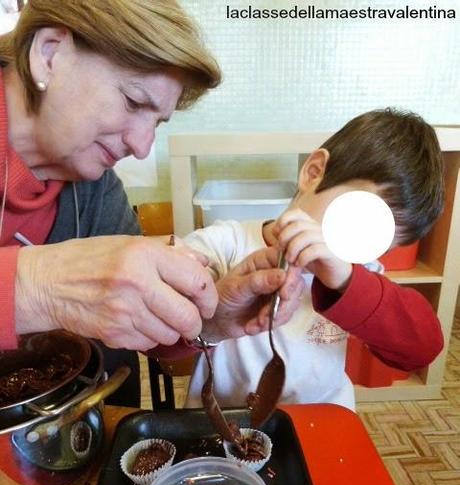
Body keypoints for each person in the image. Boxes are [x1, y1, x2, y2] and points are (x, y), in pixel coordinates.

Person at [0, 0, 303, 406]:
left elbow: (136, 318)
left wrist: (210, 321)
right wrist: (37, 287)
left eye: (157, 122)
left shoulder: (95, 189)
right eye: (133, 101)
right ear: (50, 53)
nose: (142, 148)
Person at [182, 109, 444, 410]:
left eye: (377, 244)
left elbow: (422, 349)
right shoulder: (227, 243)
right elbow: (164, 322)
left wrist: (347, 283)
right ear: (313, 173)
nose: (356, 249)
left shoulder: (359, 274)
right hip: (227, 416)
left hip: (322, 416)